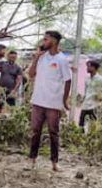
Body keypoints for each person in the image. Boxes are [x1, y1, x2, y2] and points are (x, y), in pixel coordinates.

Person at [28, 30, 71, 171]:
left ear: (54, 41)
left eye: (46, 39)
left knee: (54, 132)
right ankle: (32, 160)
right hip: (38, 101)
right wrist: (35, 58)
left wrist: (64, 100)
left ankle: (54, 162)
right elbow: (31, 74)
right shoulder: (41, 57)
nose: (43, 42)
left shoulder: (62, 59)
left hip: (53, 103)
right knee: (35, 132)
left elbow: (68, 80)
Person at [78, 60, 102, 127]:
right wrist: (82, 99)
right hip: (85, 105)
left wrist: (101, 98)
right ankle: (82, 136)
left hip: (94, 105)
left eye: (88, 66)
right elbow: (85, 92)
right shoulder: (87, 79)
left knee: (93, 124)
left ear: (93, 67)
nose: (87, 68)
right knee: (81, 124)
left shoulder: (100, 79)